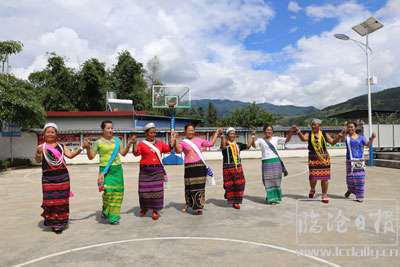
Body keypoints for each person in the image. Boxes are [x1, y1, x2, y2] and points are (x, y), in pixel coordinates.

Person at [35, 123, 83, 234]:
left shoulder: (61, 146)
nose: (50, 134)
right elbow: (38, 160)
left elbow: (70, 155)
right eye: (48, 132)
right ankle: (52, 221)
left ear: (56, 134)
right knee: (51, 201)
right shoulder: (41, 147)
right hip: (48, 179)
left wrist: (81, 148)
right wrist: (38, 153)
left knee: (62, 201)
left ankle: (60, 223)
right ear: (44, 134)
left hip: (63, 177)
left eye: (53, 132)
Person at [83, 120, 134, 225]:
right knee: (108, 193)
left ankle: (113, 217)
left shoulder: (117, 140)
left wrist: (129, 144)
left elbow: (123, 153)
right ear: (103, 130)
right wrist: (88, 147)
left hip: (117, 170)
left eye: (112, 128)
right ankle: (106, 210)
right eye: (108, 128)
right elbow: (91, 156)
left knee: (117, 193)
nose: (111, 130)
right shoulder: (98, 142)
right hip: (105, 171)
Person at [175, 123, 222, 215]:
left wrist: (216, 133)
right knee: (189, 187)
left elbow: (211, 144)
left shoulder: (199, 140)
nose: (191, 132)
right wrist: (175, 140)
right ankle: (188, 204)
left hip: (200, 166)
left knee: (200, 187)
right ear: (185, 131)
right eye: (189, 130)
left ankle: (199, 206)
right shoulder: (183, 142)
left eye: (192, 130)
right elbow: (178, 150)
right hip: (189, 167)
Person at [133, 123, 176, 220]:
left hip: (157, 171)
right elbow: (136, 153)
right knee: (143, 191)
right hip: (145, 171)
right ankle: (144, 208)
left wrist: (172, 139)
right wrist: (134, 143)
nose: (153, 134)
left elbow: (168, 148)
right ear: (146, 133)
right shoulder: (141, 144)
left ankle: (155, 210)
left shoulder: (160, 143)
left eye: (154, 132)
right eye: (151, 133)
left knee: (157, 191)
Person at [294, 119, 341, 203]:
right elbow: (303, 138)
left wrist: (339, 137)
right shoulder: (309, 133)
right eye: (312, 124)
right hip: (313, 159)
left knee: (325, 178)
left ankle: (324, 194)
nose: (313, 126)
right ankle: (312, 189)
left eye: (315, 124)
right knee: (313, 177)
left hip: (324, 159)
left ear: (319, 125)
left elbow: (332, 142)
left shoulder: (323, 134)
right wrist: (298, 131)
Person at [252, 124, 295, 204]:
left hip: (276, 162)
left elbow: (287, 140)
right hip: (266, 162)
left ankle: (275, 198)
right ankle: (270, 197)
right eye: (267, 130)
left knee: (276, 180)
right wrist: (253, 135)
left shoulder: (276, 139)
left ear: (272, 131)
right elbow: (254, 145)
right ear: (264, 131)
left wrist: (291, 131)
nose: (269, 131)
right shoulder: (260, 140)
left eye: (270, 130)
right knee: (267, 181)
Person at [340, 121, 376, 202]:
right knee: (350, 179)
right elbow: (342, 138)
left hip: (359, 161)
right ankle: (350, 190)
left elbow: (368, 144)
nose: (350, 128)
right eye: (348, 127)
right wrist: (343, 131)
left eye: (352, 127)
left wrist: (372, 138)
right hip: (350, 161)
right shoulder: (347, 137)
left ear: (355, 128)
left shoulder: (361, 137)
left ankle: (359, 196)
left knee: (360, 178)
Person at [220, 127, 255, 209]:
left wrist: (252, 136)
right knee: (229, 184)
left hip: (238, 167)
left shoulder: (238, 144)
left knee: (240, 183)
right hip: (227, 167)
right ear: (227, 135)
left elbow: (248, 146)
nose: (232, 135)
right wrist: (221, 135)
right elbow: (223, 146)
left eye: (233, 133)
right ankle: (232, 199)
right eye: (230, 133)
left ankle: (236, 201)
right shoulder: (226, 144)